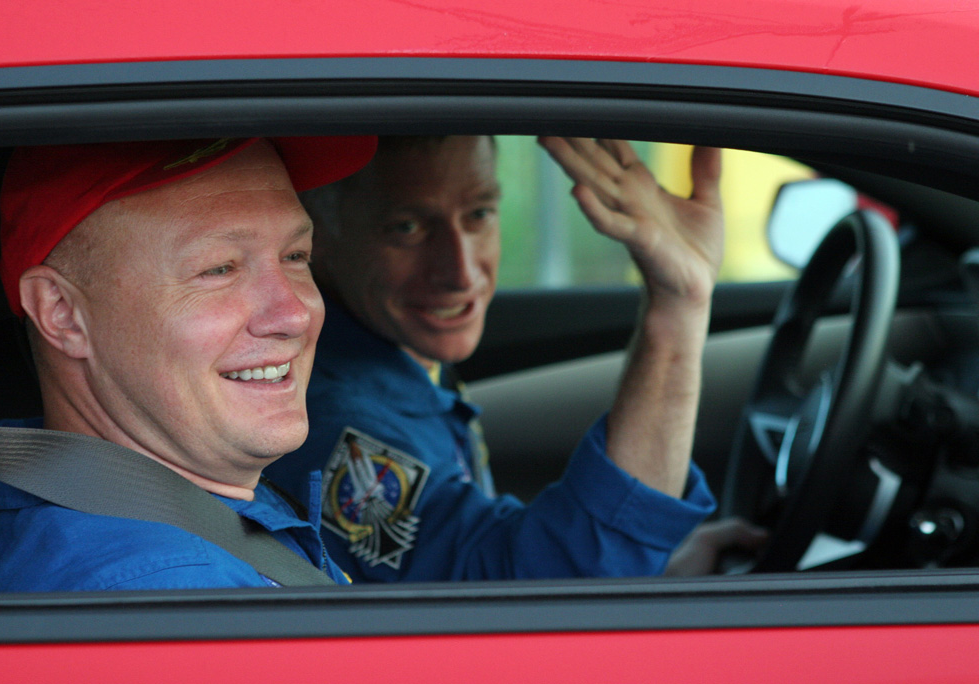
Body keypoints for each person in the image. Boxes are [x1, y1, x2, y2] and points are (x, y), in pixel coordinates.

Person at [265, 136, 765, 582]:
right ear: (318, 238)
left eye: (479, 214)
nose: (460, 272)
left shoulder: (396, 355)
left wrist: (661, 566)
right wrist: (678, 305)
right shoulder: (331, 421)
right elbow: (534, 601)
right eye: (408, 227)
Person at [0, 135, 376, 591]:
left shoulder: (165, 523)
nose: (294, 314)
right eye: (219, 269)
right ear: (61, 313)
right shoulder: (171, 590)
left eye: (295, 256)